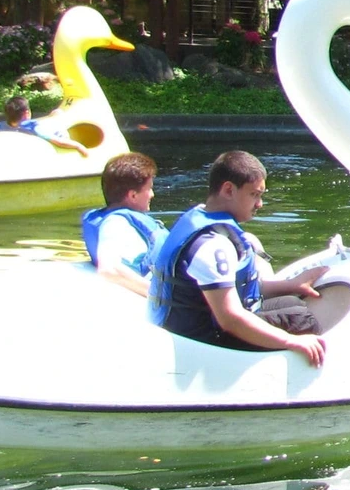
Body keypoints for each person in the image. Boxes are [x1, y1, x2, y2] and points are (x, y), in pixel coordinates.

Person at [149, 150, 329, 365]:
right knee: (300, 320)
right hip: (203, 342)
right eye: (254, 194)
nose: (260, 204)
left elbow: (236, 288)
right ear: (228, 190)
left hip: (209, 323)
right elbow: (230, 319)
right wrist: (291, 341)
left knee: (292, 303)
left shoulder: (200, 215)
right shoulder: (211, 245)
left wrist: (291, 285)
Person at [83, 152, 169, 296]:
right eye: (149, 188)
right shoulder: (115, 223)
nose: (152, 194)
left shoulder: (114, 218)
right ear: (133, 195)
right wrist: (165, 297)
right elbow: (109, 270)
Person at [0, 95, 89, 154]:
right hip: (55, 138)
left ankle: (55, 114)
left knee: (55, 114)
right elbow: (59, 141)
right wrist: (79, 146)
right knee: (57, 116)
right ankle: (56, 115)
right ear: (27, 113)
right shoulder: (34, 128)